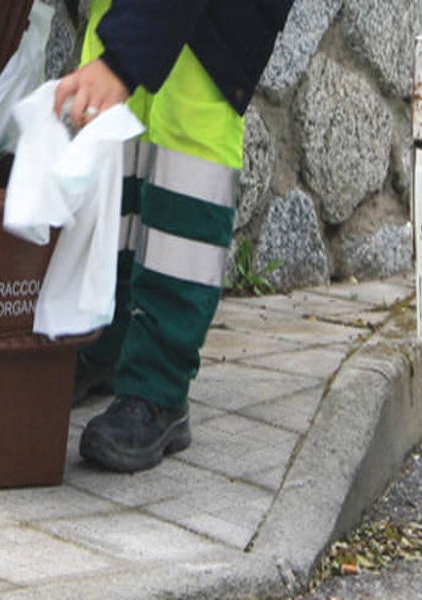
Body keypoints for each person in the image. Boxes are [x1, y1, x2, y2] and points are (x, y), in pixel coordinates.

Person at [55, 0, 294, 473]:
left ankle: (156, 387)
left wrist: (123, 61)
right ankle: (104, 339)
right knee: (112, 138)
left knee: (187, 150)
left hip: (215, 22)